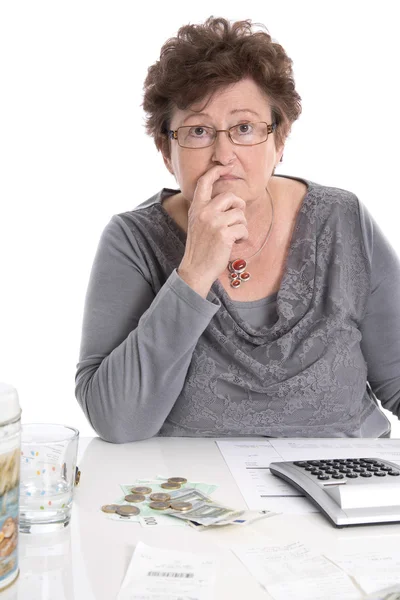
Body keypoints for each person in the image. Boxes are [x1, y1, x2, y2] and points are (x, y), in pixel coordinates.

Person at [75, 16, 400, 443]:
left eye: (244, 128)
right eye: (198, 131)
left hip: (343, 489)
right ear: (165, 149)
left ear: (279, 140)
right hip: (201, 500)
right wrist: (194, 271)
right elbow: (116, 420)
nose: (223, 154)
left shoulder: (342, 219)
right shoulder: (132, 241)